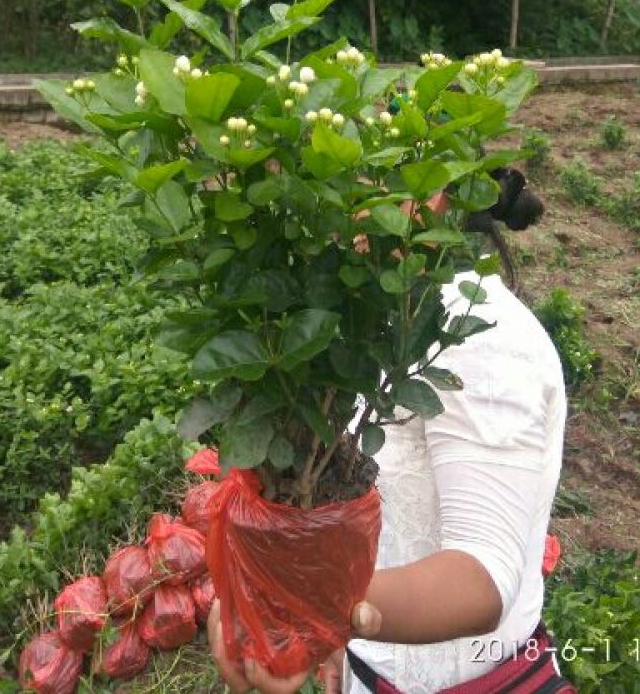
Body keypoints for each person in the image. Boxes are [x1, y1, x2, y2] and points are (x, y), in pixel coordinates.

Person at [209, 168, 574, 694]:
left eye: (366, 172)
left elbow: (482, 579)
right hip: (379, 669)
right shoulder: (379, 315)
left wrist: (296, 610)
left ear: (432, 186)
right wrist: (344, 640)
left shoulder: (476, 331)